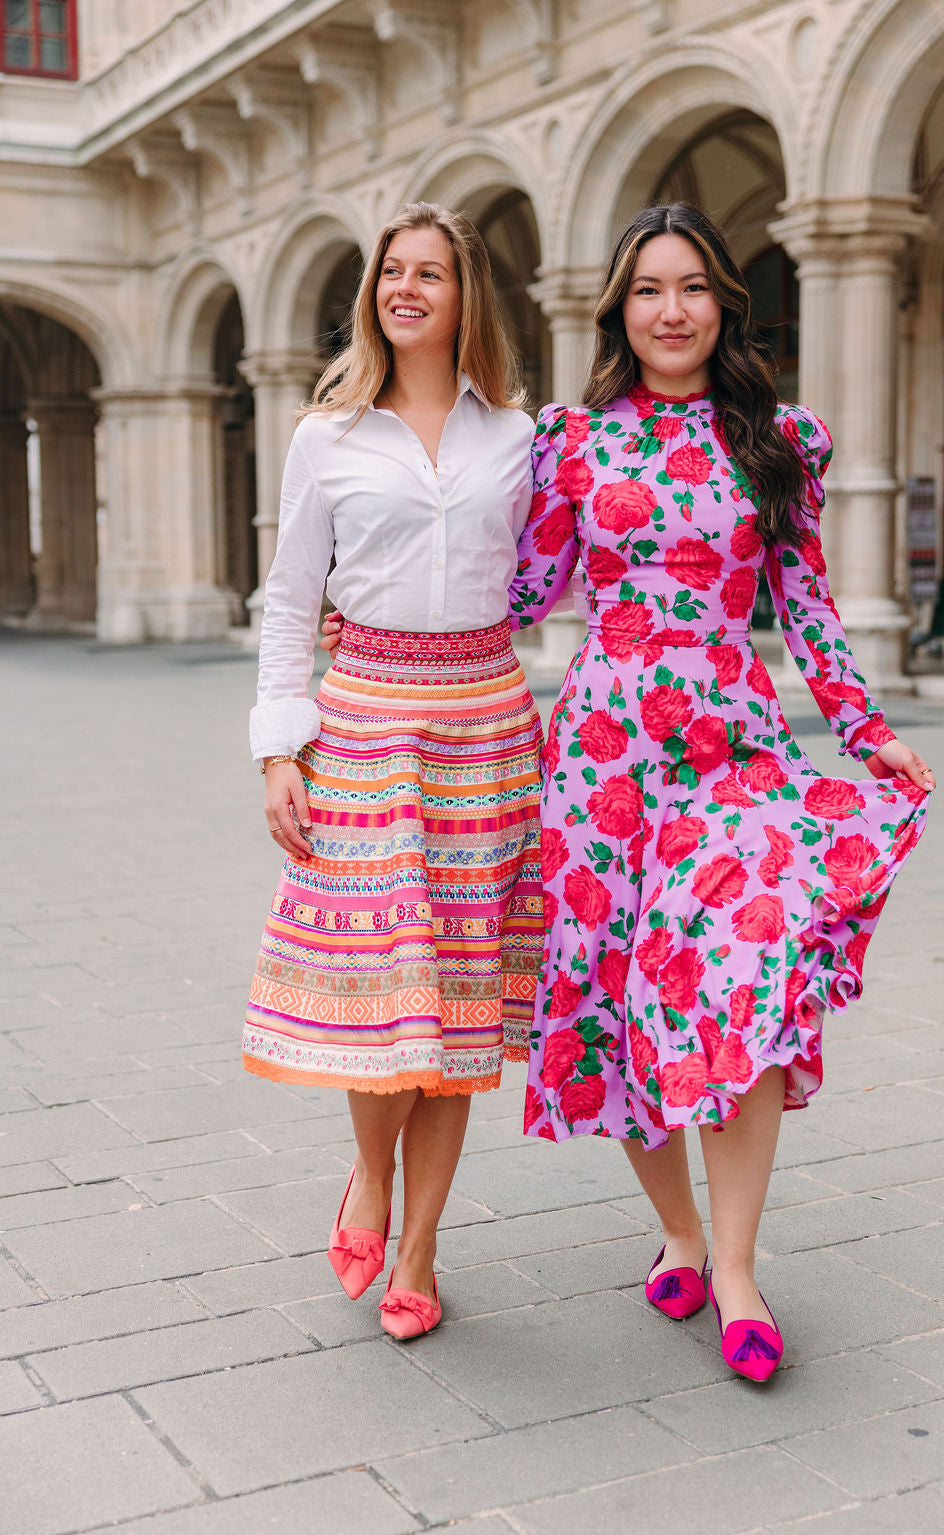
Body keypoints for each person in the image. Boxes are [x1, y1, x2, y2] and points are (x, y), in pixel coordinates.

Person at [507, 203, 934, 1381]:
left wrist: (865, 729)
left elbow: (805, 603)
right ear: (619, 310)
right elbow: (523, 587)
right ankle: (682, 1232)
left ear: (724, 303)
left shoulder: (777, 437)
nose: (671, 309)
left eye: (691, 286)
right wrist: (398, 653)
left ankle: (738, 1264)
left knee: (739, 988)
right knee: (615, 997)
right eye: (647, 289)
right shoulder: (573, 442)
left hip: (730, 743)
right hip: (598, 757)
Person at [244, 202, 542, 1340]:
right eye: (392, 272)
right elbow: (286, 597)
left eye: (431, 272)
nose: (407, 287)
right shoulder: (327, 434)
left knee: (457, 1009)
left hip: (487, 729)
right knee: (384, 1000)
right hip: (364, 723)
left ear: (468, 294)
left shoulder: (520, 436)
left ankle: (420, 1245)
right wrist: (281, 744)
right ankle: (370, 1181)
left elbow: (558, 570)